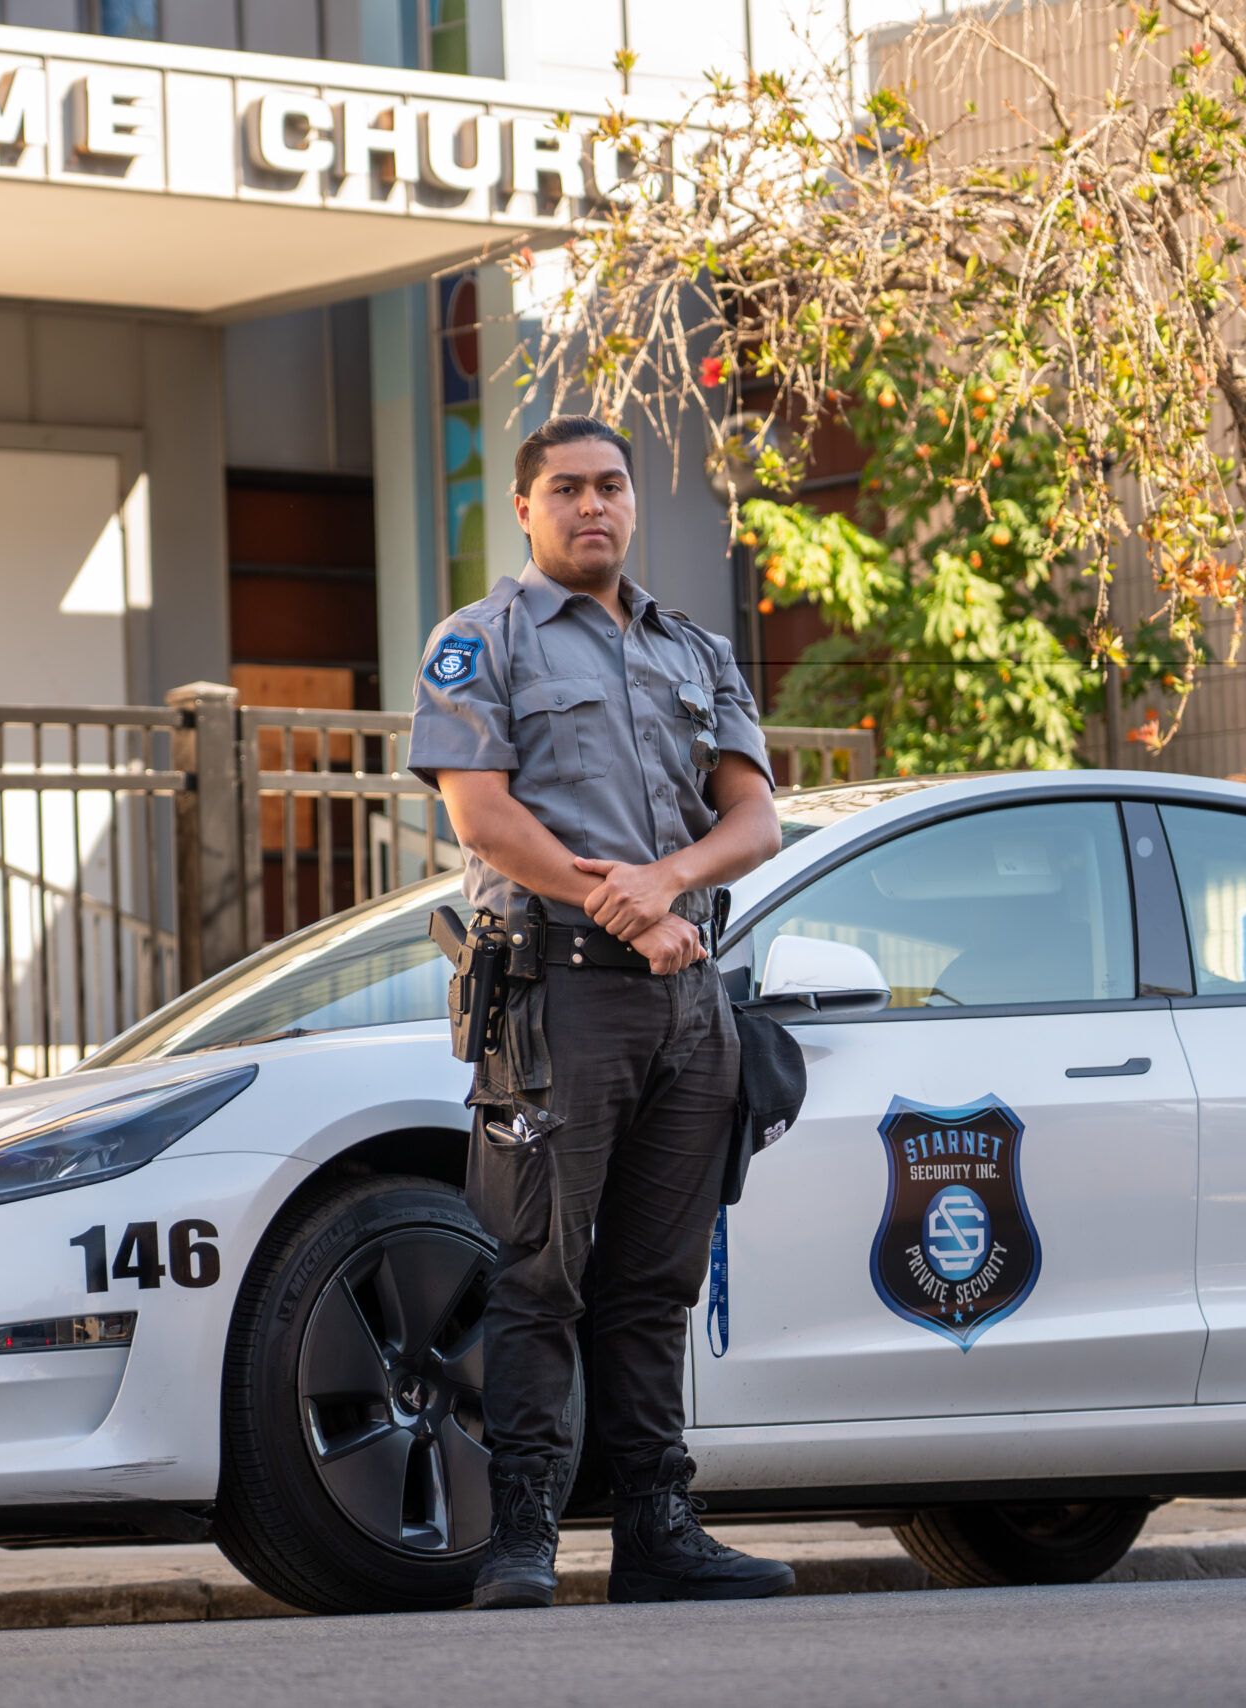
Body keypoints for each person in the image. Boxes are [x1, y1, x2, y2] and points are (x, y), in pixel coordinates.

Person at [409, 415, 793, 1610]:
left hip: (686, 1006)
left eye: (611, 487)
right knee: (536, 1274)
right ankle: (521, 1538)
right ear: (522, 509)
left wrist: (670, 883)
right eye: (566, 488)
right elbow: (483, 819)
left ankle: (658, 1531)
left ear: (634, 505)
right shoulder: (482, 642)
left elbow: (755, 821)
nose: (592, 506)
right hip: (554, 994)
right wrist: (617, 903)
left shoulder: (696, 652)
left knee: (655, 1285)